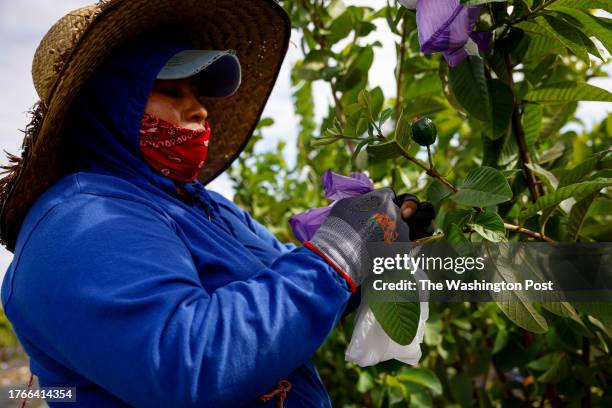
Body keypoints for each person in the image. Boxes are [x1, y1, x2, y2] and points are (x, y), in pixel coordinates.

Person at [0, 1, 434, 407]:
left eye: (199, 95)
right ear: (110, 105)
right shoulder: (78, 225)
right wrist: (339, 252)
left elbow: (288, 295)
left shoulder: (207, 208)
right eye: (172, 92)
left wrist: (372, 253)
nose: (200, 111)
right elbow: (189, 365)